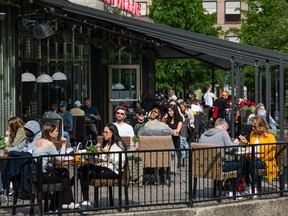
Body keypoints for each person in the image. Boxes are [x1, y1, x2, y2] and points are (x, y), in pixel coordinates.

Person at [33, 122, 79, 211]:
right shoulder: (49, 144)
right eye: (56, 131)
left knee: (64, 172)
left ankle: (59, 205)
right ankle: (66, 203)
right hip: (43, 176)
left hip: (36, 174)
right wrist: (64, 144)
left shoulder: (37, 142)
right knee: (64, 176)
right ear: (50, 133)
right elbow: (60, 159)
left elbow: (45, 156)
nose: (58, 133)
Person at [78, 123, 126, 206]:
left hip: (114, 171)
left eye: (106, 132)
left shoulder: (118, 145)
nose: (104, 134)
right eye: (103, 132)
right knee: (83, 169)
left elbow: (121, 162)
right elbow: (103, 159)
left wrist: (109, 154)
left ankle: (70, 187)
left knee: (83, 170)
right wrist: (98, 151)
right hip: (105, 168)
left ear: (113, 133)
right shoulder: (108, 143)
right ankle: (85, 200)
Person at [199, 118, 243, 190]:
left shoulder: (204, 134)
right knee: (239, 164)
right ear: (223, 126)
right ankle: (232, 190)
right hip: (218, 166)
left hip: (203, 166)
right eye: (227, 129)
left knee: (223, 162)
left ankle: (219, 187)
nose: (227, 132)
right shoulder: (223, 133)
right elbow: (232, 149)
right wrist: (236, 143)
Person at [238, 116, 278, 195]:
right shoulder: (253, 134)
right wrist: (246, 143)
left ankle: (255, 187)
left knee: (253, 164)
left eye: (254, 126)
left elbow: (271, 154)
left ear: (261, 126)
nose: (252, 128)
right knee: (243, 162)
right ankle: (247, 185)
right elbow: (252, 146)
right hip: (254, 158)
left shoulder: (270, 136)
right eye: (252, 126)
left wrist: (259, 155)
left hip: (266, 160)